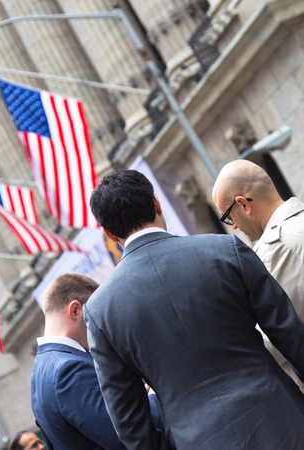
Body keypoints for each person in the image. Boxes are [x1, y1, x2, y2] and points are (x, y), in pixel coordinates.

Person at [84, 168, 304, 450]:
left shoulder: (100, 312)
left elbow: (129, 421)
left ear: (109, 233)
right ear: (156, 203)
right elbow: (290, 334)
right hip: (283, 422)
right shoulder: (225, 250)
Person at [31, 273, 164, 450]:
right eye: (95, 312)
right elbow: (126, 437)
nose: (99, 321)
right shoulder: (68, 370)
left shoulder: (41, 369)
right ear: (75, 310)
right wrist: (153, 395)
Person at [212, 159, 304, 388]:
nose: (233, 226)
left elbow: (275, 339)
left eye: (228, 216)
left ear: (244, 204)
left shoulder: (274, 249)